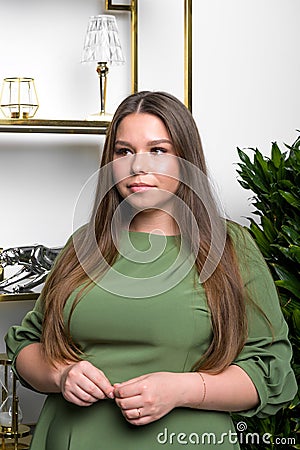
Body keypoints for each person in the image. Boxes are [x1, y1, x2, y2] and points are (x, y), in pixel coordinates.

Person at [5, 91, 297, 449]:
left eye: (158, 150)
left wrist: (181, 389)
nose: (137, 166)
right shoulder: (84, 244)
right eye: (123, 151)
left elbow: (270, 370)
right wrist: (60, 374)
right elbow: (26, 344)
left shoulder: (229, 247)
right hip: (71, 438)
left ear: (185, 159)